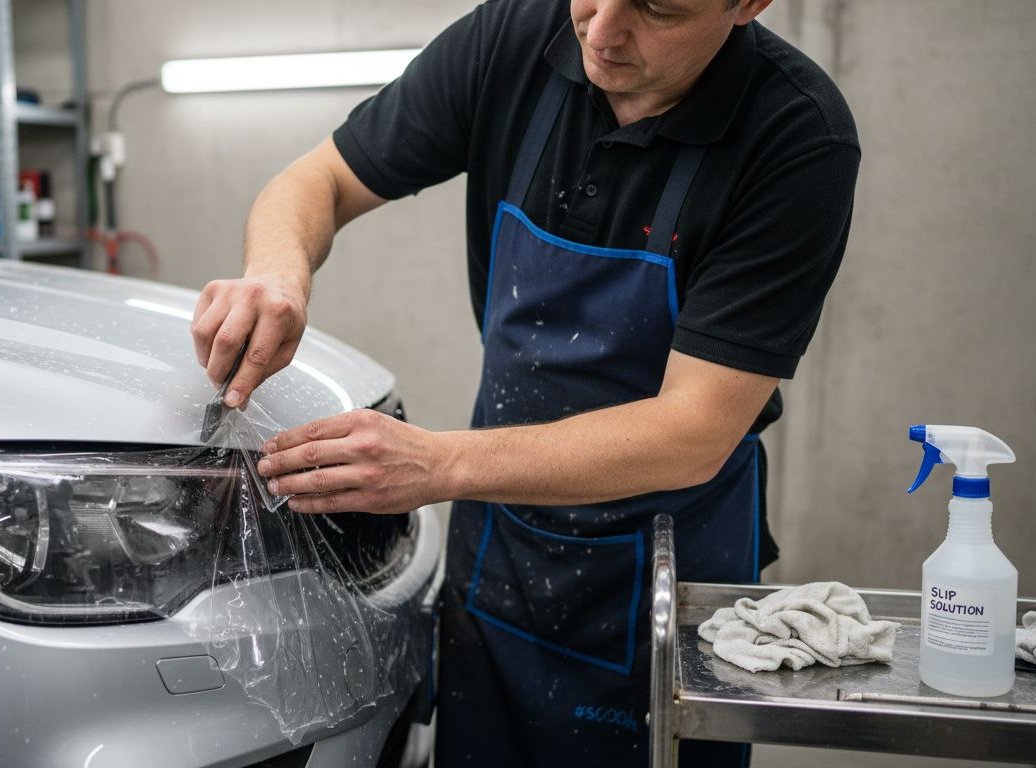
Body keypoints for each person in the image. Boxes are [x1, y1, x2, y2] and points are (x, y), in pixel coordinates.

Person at [190, 0, 859, 764]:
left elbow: (694, 432)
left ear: (748, 4)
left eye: (658, 9)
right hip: (502, 548)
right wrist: (278, 274)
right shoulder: (514, 37)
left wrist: (437, 465)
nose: (601, 33)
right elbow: (321, 179)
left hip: (668, 560)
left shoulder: (797, 135)